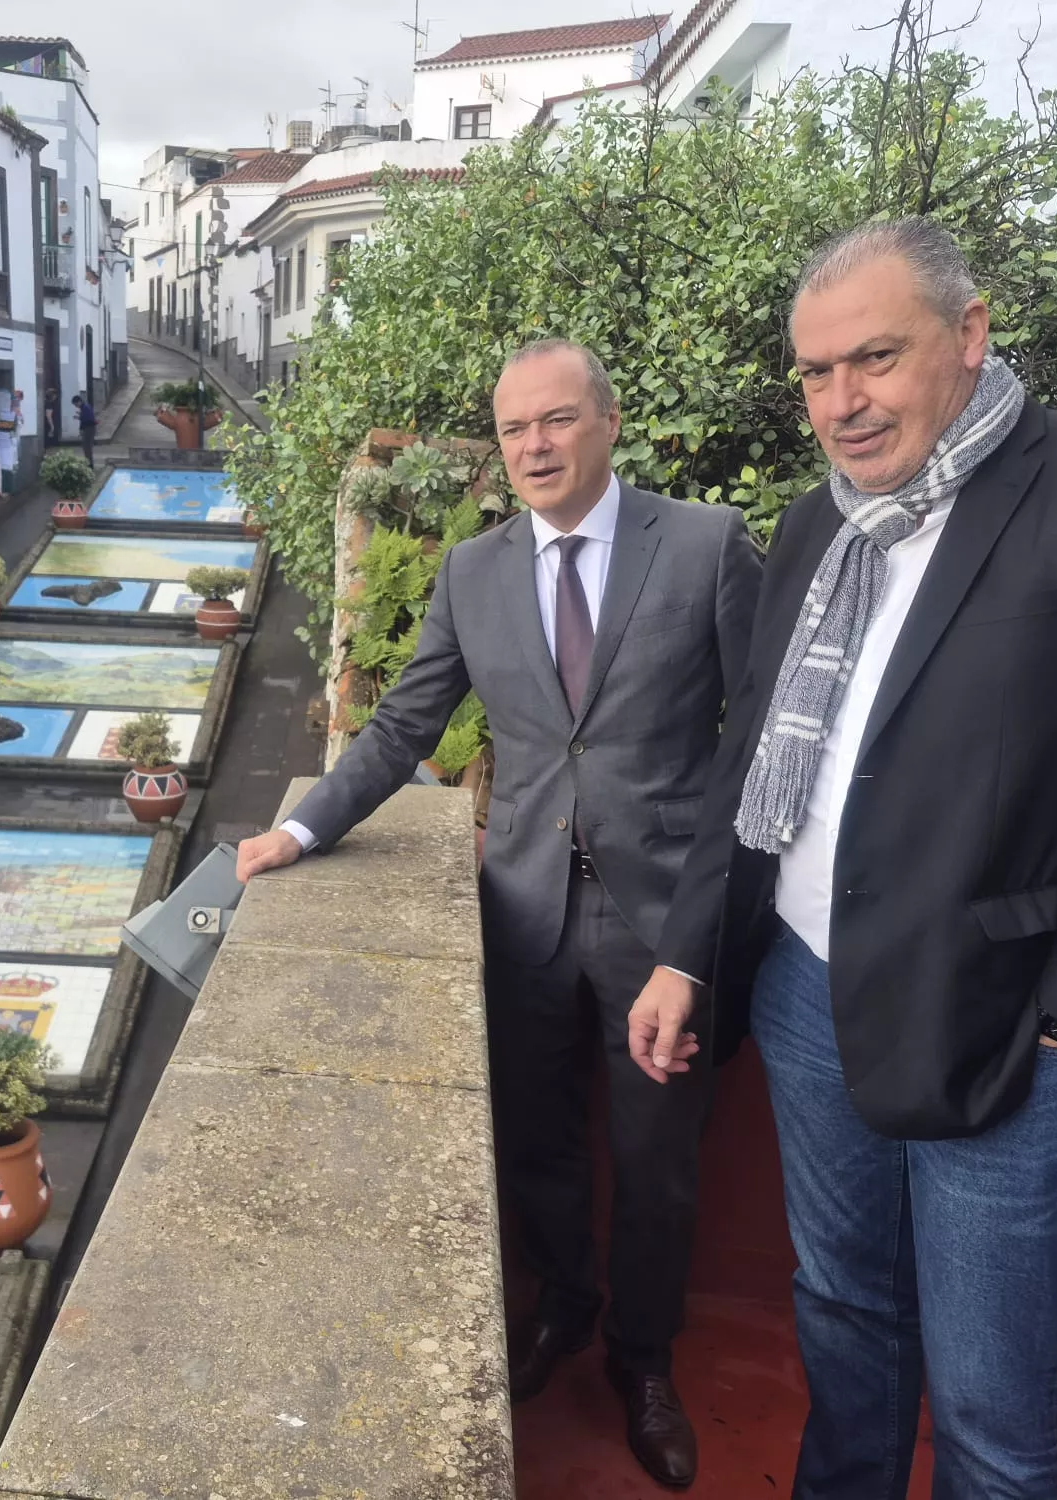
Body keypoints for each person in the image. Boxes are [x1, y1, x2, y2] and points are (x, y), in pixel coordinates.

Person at [632, 218, 1057, 1498]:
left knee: (989, 1405)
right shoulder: (820, 523)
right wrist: (685, 957)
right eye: (813, 373)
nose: (840, 402)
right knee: (843, 1323)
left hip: (999, 1029)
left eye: (872, 357)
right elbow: (757, 758)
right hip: (807, 997)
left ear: (967, 337)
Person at [236, 338, 760, 1487]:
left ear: (608, 423)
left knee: (656, 1157)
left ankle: (643, 1358)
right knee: (533, 1138)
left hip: (661, 924)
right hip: (521, 909)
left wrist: (703, 932)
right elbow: (400, 725)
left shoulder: (707, 547)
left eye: (557, 420)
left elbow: (755, 751)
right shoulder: (474, 573)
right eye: (514, 427)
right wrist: (301, 830)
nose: (533, 444)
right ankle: (562, 1305)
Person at [73, 391, 98, 467]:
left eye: (76, 404)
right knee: (86, 447)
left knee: (87, 447)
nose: (76, 406)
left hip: (89, 429)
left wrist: (79, 417)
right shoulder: (84, 407)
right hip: (88, 428)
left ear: (79, 402)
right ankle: (88, 462)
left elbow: (88, 419)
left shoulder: (85, 408)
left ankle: (90, 464)